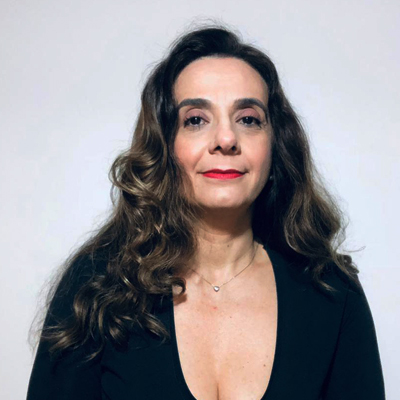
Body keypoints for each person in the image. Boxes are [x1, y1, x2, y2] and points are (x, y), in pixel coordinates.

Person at [27, 23, 386, 400]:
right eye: (196, 120)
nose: (226, 139)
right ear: (165, 145)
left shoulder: (331, 291)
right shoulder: (96, 286)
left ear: (275, 144)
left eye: (248, 119)